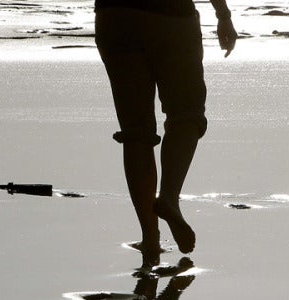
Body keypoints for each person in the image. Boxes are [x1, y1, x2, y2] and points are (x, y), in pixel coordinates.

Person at [95, 0, 237, 266]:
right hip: (171, 15)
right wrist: (223, 14)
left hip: (115, 16)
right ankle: (169, 197)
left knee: (136, 132)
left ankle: (150, 238)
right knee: (186, 114)